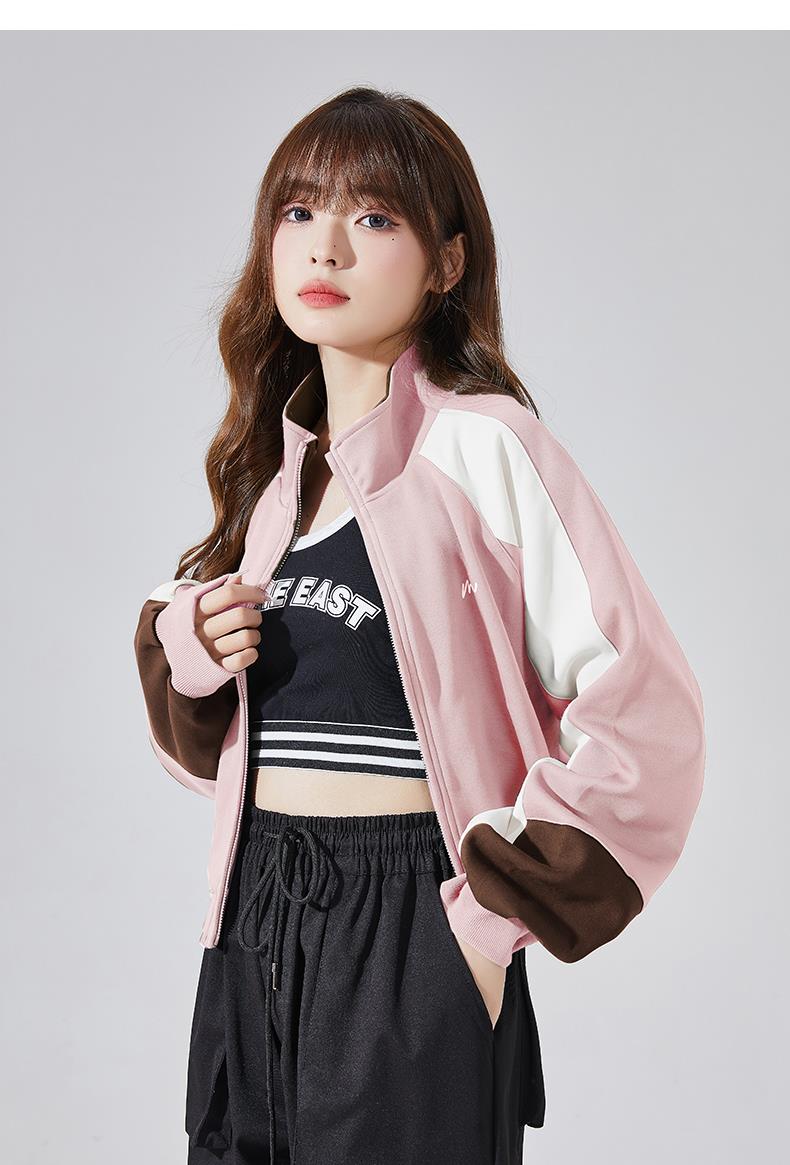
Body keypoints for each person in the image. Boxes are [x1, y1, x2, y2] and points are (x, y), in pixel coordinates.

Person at [133, 85, 706, 1165]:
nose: (327, 245)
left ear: (446, 262)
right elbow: (218, 754)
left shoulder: (484, 448)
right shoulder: (276, 482)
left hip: (411, 929)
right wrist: (192, 648)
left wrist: (486, 924)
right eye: (299, 211)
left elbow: (647, 713)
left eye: (374, 216)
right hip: (252, 915)